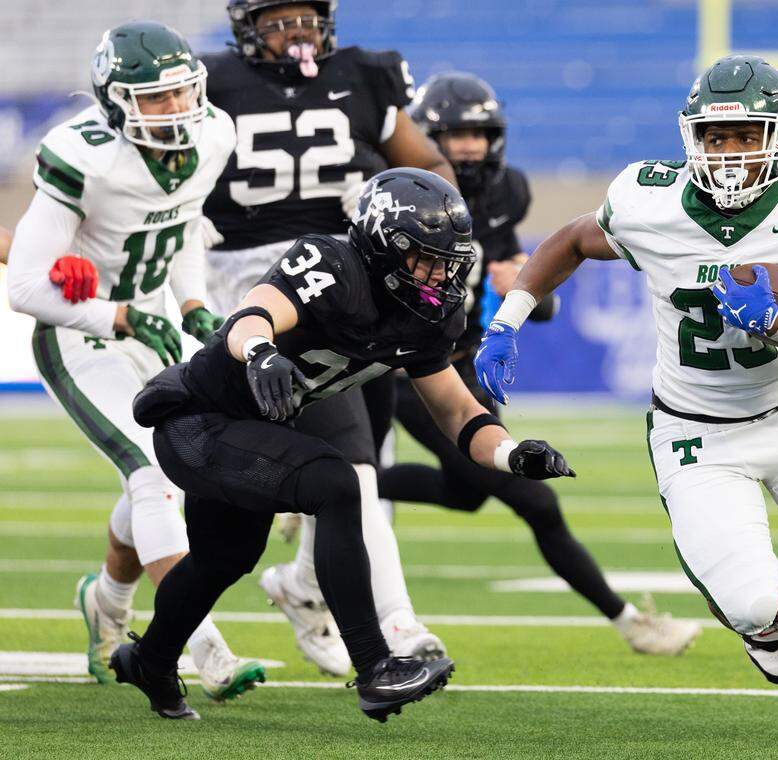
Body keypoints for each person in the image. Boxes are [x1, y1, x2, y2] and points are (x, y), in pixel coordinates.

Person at [474, 55, 778, 745]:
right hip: (696, 432)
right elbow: (573, 239)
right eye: (715, 135)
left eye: (745, 134)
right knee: (750, 603)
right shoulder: (649, 202)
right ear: (691, 137)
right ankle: (764, 622)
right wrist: (506, 322)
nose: (729, 151)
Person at [118, 167, 574, 722]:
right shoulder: (333, 264)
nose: (440, 276)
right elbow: (252, 314)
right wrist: (261, 352)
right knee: (336, 483)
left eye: (449, 263)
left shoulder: (426, 316)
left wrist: (511, 454)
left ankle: (150, 660)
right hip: (198, 421)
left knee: (223, 558)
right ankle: (376, 665)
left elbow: (456, 411)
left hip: (252, 432)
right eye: (426, 260)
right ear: (384, 245)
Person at [362, 72, 701, 655]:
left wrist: (522, 286)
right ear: (425, 139)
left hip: (459, 361)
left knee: (467, 493)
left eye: (479, 134)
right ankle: (630, 623)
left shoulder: (505, 193)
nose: (470, 147)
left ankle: (346, 484)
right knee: (535, 500)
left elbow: (537, 304)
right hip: (410, 371)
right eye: (456, 135)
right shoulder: (395, 195)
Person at [4, 22, 264, 701]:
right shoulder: (83, 157)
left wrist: (194, 303)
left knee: (167, 476)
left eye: (181, 92)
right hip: (80, 335)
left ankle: (107, 604)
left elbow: (181, 227)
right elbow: (25, 286)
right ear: (116, 102)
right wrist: (114, 313)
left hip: (153, 326)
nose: (174, 108)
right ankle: (202, 646)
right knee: (151, 476)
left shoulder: (214, 134)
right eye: (155, 97)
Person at [197, 0, 457, 674]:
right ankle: (396, 623)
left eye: (305, 16)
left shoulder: (363, 75)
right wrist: (180, 214)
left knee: (358, 459)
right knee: (351, 463)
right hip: (251, 281)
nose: (296, 32)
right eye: (277, 19)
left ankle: (307, 588)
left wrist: (383, 195)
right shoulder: (211, 82)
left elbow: (432, 171)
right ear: (247, 26)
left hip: (350, 274)